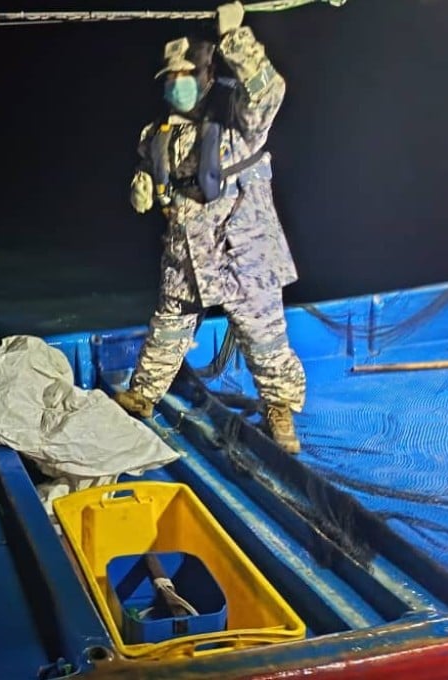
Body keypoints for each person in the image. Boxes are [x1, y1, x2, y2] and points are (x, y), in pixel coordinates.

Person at [113, 1, 306, 453]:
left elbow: (267, 91)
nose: (179, 84)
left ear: (205, 76)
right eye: (171, 78)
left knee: (264, 339)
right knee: (166, 331)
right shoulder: (154, 134)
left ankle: (279, 410)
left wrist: (235, 39)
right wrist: (140, 184)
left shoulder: (238, 122)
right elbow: (149, 169)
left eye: (187, 75)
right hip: (185, 256)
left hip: (245, 254)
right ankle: (143, 395)